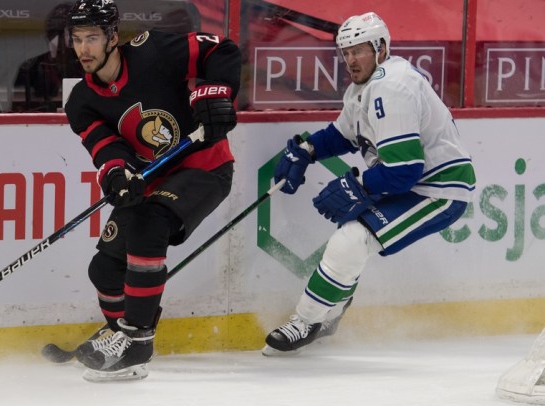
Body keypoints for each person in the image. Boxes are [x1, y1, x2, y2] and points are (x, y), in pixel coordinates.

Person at [263, 12, 476, 356]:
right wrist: (307, 150)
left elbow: (404, 170)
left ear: (381, 48)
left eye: (358, 50)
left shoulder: (392, 86)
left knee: (352, 237)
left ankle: (308, 321)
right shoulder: (363, 88)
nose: (350, 60)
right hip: (414, 183)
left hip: (439, 189)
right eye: (344, 52)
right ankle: (330, 311)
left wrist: (356, 184)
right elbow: (343, 135)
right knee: (350, 238)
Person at [64, 0, 240, 381]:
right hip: (152, 179)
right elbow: (106, 149)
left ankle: (137, 340)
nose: (84, 49)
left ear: (113, 36)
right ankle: (119, 336)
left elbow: (222, 50)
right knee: (104, 269)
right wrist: (116, 175)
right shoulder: (81, 100)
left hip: (205, 166)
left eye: (92, 38)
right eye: (77, 40)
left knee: (147, 223)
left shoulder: (153, 51)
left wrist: (217, 93)